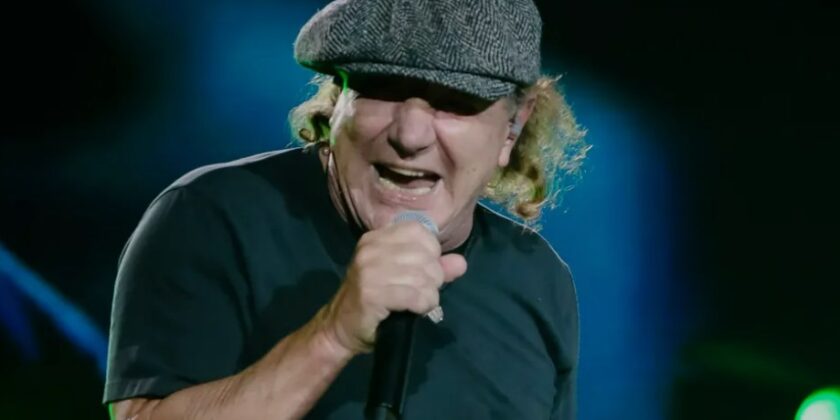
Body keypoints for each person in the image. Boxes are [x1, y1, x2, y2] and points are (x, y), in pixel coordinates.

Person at [103, 0, 589, 418]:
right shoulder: (211, 218)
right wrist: (332, 337)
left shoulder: (538, 279)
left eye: (454, 101)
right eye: (382, 88)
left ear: (512, 127)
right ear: (338, 98)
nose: (410, 136)